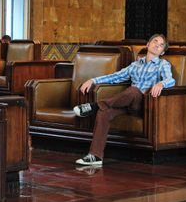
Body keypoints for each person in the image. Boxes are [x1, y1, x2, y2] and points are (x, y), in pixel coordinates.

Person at [73, 34, 175, 166]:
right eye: (155, 42)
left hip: (144, 104)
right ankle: (95, 156)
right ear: (148, 44)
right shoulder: (135, 65)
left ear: (162, 52)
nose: (157, 45)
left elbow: (171, 79)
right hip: (126, 104)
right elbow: (116, 76)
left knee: (134, 90)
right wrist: (93, 80)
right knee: (104, 113)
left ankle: (95, 106)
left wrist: (161, 84)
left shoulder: (163, 64)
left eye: (161, 45)